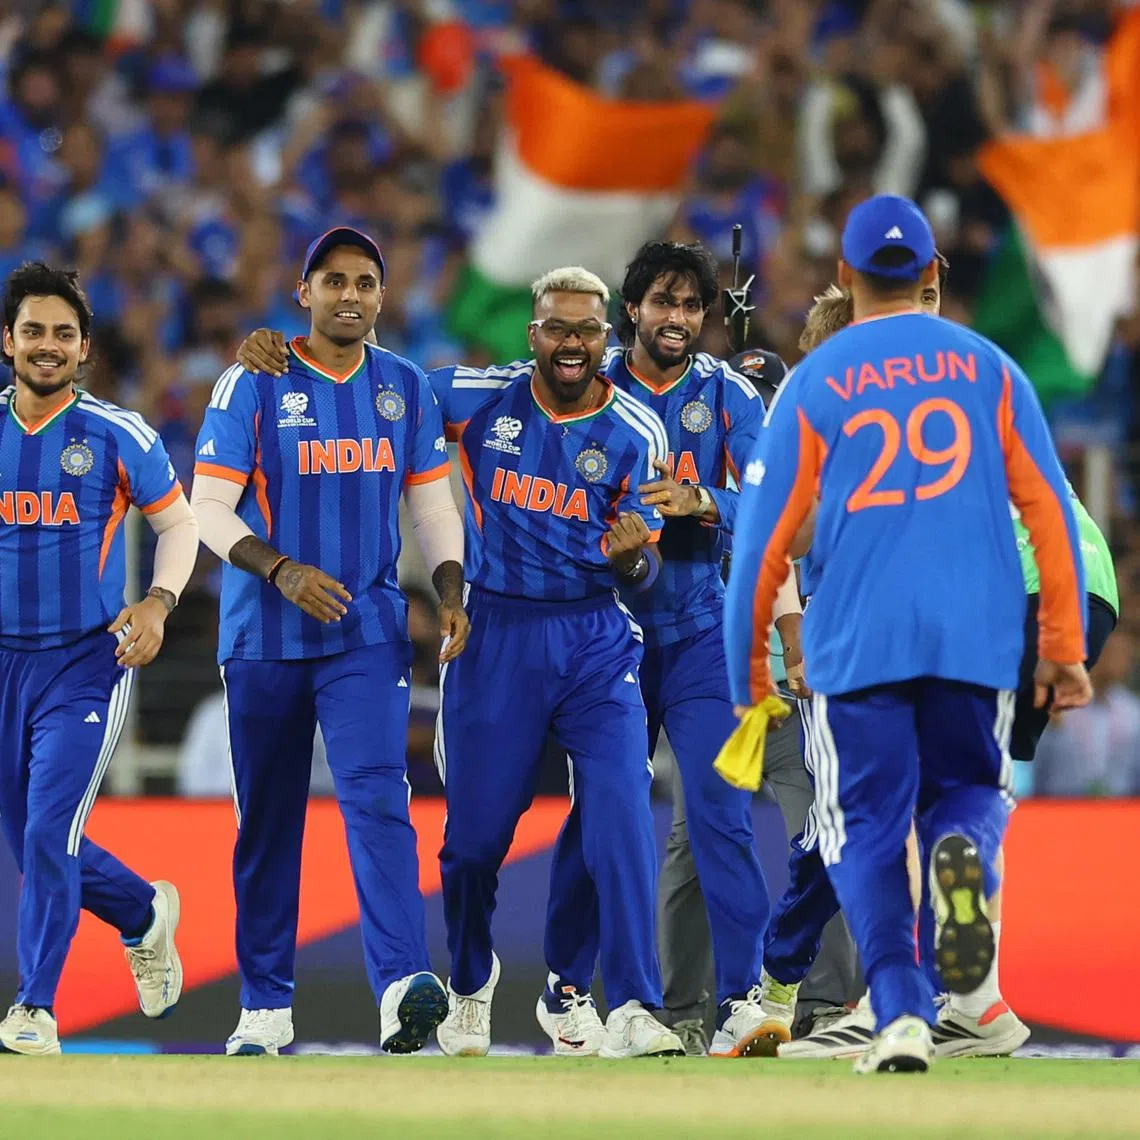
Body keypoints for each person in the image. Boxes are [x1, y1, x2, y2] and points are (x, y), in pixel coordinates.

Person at [724, 194, 1092, 1074]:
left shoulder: (815, 380)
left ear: (846, 278)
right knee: (970, 792)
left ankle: (898, 1015)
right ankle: (966, 856)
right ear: (933, 275)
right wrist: (1065, 647)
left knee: (865, 831)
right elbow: (1049, 511)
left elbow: (759, 547)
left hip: (859, 641)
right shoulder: (991, 368)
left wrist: (751, 687)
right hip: (975, 633)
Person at [540, 241, 853, 1058]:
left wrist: (700, 499)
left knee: (720, 817)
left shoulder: (728, 393)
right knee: (600, 820)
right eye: (661, 303)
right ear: (632, 310)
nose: (675, 318)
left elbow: (768, 501)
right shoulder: (582, 379)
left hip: (697, 635)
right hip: (603, 638)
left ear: (705, 318)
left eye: (690, 306)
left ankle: (742, 1000)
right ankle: (570, 989)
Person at [191, 227, 470, 1057]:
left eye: (366, 282)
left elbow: (430, 505)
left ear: (382, 299)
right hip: (264, 635)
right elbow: (206, 509)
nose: (350, 294)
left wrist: (451, 588)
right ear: (301, 293)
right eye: (334, 279)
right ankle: (265, 1007)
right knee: (269, 821)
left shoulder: (405, 386)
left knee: (381, 800)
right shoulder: (253, 379)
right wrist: (280, 571)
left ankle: (399, 992)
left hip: (366, 633)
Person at [422, 266, 683, 1059]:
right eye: (557, 328)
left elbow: (641, 571)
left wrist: (637, 560)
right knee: (471, 845)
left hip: (595, 639)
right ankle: (469, 982)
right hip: (492, 634)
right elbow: (375, 387)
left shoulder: (639, 434)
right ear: (531, 335)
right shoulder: (474, 397)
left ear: (608, 339)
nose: (572, 343)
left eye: (588, 330)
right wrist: (281, 360)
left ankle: (632, 1001)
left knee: (621, 814)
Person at [0, 262, 195, 1054]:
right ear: (6, 341)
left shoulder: (119, 433)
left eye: (64, 335)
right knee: (39, 842)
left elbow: (180, 526)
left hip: (84, 662)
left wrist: (157, 603)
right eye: (34, 331)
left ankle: (35, 1008)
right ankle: (144, 913)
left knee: (49, 834)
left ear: (83, 351)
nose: (48, 347)